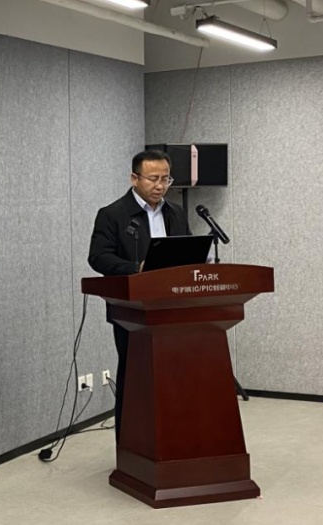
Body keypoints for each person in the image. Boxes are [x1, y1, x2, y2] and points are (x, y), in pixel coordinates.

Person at [87, 149, 190, 443]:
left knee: (176, 378)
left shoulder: (175, 212)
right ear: (135, 178)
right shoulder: (112, 215)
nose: (160, 185)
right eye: (153, 178)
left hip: (174, 309)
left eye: (166, 179)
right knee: (136, 378)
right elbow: (98, 257)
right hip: (132, 311)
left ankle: (174, 440)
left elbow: (187, 249)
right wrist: (136, 268)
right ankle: (132, 445)